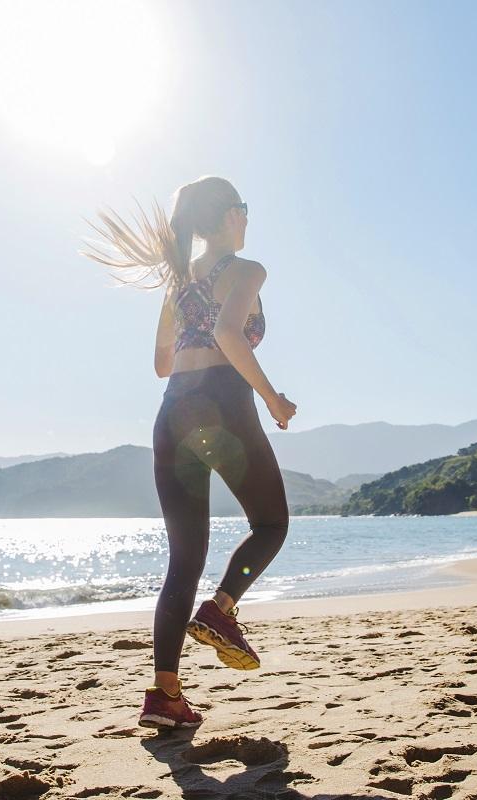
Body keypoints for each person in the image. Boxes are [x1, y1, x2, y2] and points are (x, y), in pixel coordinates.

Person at [80, 175, 297, 731]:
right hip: (223, 406)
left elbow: (160, 363)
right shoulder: (247, 271)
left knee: (183, 560)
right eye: (245, 210)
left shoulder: (177, 284)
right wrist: (273, 397)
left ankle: (164, 696)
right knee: (271, 523)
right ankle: (221, 610)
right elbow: (229, 332)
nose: (248, 220)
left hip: (172, 413)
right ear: (228, 216)